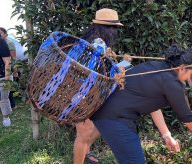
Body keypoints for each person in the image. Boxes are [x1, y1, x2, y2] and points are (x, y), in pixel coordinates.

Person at [90, 45, 192, 163]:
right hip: (114, 118)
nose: (189, 78)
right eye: (190, 74)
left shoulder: (158, 67)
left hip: (110, 114)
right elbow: (189, 121)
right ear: (182, 68)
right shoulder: (173, 83)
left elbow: (153, 106)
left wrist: (166, 135)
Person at [73, 8, 179, 164]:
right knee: (85, 134)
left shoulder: (92, 42)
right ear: (108, 28)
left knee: (90, 133)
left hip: (89, 95)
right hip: (86, 95)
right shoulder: (98, 44)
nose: (115, 32)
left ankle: (85, 156)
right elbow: (102, 72)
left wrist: (124, 63)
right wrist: (123, 66)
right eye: (114, 28)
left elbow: (107, 69)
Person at [0, 27, 16, 109]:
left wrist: (15, 70)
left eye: (1, 33)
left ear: (6, 34)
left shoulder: (9, 43)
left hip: (9, 66)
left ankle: (12, 105)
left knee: (8, 88)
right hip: (2, 67)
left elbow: (14, 57)